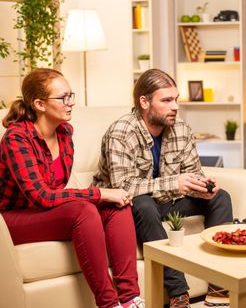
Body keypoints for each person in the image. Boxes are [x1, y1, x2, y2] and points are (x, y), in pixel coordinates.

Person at [0, 69, 144, 308]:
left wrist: (106, 198)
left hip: (46, 213)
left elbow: (56, 193)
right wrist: (99, 193)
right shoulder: (17, 138)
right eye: (64, 97)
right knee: (84, 210)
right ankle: (109, 304)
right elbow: (41, 196)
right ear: (39, 104)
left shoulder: (65, 132)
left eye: (72, 95)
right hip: (12, 219)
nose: (72, 103)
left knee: (117, 207)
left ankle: (130, 299)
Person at [93, 69, 233, 308]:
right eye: (166, 100)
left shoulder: (181, 129)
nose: (175, 106)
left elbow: (193, 172)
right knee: (143, 203)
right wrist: (174, 183)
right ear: (144, 102)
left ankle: (219, 287)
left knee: (221, 198)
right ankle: (179, 293)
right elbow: (122, 187)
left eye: (176, 99)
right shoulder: (121, 132)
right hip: (128, 206)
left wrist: (203, 186)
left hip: (167, 201)